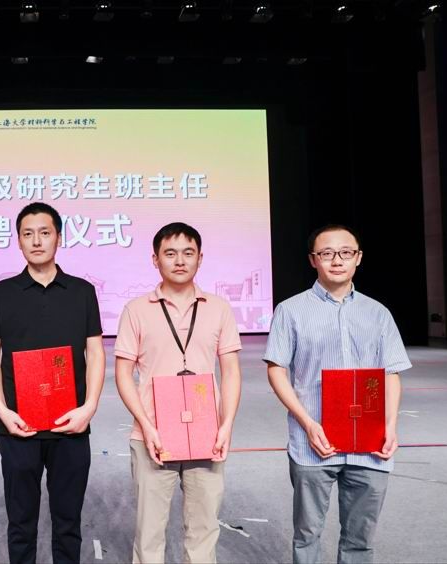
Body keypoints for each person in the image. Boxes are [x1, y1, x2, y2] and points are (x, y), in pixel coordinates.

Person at [264, 224, 411, 564]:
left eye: (346, 252)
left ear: (358, 258)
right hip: (312, 441)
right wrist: (307, 423)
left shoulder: (378, 313)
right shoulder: (290, 310)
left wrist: (390, 425)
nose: (337, 260)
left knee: (361, 539)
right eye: (327, 253)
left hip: (371, 443)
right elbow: (276, 370)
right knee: (307, 536)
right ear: (313, 260)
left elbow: (391, 373)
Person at [0, 202, 105, 564]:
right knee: (21, 524)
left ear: (59, 238)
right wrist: (3, 411)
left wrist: (88, 408)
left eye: (45, 233)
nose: (37, 241)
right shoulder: (1, 293)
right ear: (19, 241)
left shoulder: (82, 291)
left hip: (72, 425)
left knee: (68, 524)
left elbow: (95, 353)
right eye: (28, 234)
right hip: (19, 426)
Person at [114, 222, 242, 564]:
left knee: (203, 531)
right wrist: (146, 426)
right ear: (155, 259)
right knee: (149, 533)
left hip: (206, 434)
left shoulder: (218, 308)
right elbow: (123, 374)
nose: (180, 261)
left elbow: (231, 371)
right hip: (152, 435)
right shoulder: (136, 310)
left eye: (188, 253)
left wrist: (226, 425)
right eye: (170, 253)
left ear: (200, 258)